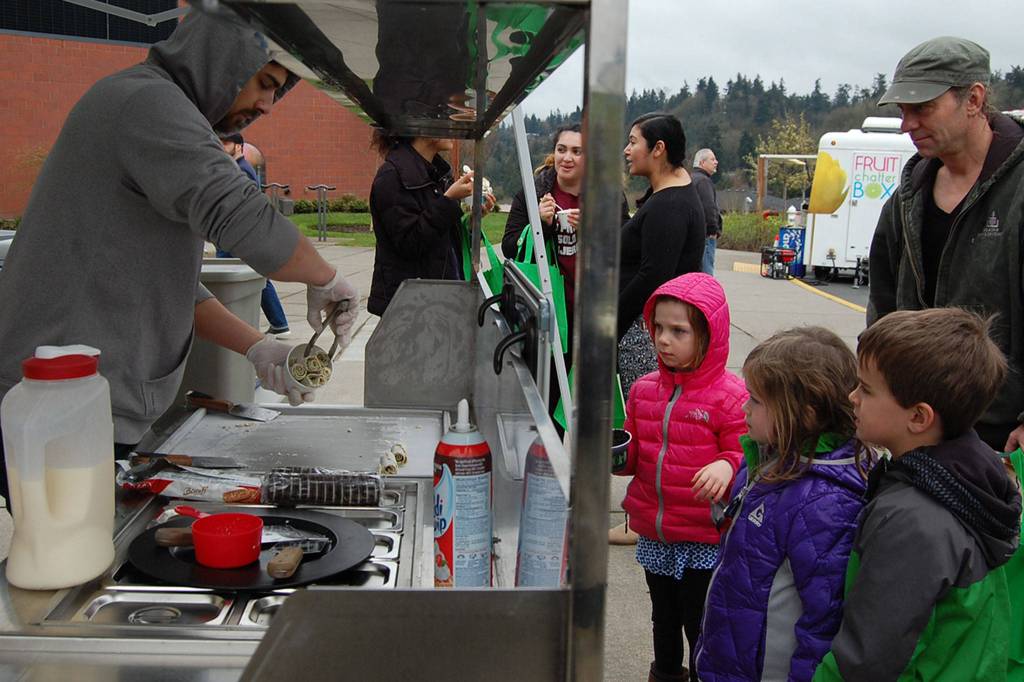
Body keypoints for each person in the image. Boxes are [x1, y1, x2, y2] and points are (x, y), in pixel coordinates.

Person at [0, 11, 360, 504]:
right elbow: (246, 219)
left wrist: (258, 348)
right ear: (223, 60)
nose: (268, 104)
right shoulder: (148, 103)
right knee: (73, 561)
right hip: (62, 407)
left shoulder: (154, 107)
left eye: (277, 92)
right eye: (264, 83)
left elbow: (174, 285)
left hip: (91, 406)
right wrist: (328, 276)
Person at [813, 308, 1022, 681]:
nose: (852, 396)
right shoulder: (972, 477)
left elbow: (868, 659)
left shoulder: (912, 520)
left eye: (866, 389)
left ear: (919, 418)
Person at [867, 36, 1024, 453]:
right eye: (902, 111)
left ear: (973, 99)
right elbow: (882, 306)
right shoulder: (907, 199)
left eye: (922, 108)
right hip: (917, 431)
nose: (907, 124)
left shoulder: (1019, 192)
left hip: (1002, 440)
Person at [695, 327, 874, 682]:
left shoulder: (824, 503)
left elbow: (823, 621)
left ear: (804, 415)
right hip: (730, 654)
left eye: (757, 401)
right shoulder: (767, 459)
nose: (744, 407)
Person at [613, 272, 747, 682]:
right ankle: (666, 673)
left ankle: (705, 673)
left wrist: (727, 464)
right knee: (663, 616)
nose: (663, 340)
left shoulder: (730, 396)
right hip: (658, 532)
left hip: (703, 535)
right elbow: (634, 458)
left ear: (709, 335)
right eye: (658, 328)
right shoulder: (643, 391)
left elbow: (745, 453)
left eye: (678, 331)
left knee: (698, 620)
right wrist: (616, 454)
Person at [501, 123, 629, 329]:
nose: (567, 158)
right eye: (561, 149)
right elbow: (509, 247)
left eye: (577, 151)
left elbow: (625, 250)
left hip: (593, 308)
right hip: (545, 307)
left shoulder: (609, 197)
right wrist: (541, 225)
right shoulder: (533, 192)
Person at [618, 112, 705, 396]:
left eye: (633, 142)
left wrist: (609, 321)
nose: (627, 151)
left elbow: (653, 275)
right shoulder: (667, 196)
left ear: (658, 149)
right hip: (642, 331)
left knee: (645, 416)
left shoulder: (669, 206)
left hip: (642, 337)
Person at [366, 131, 475, 316]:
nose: (452, 130)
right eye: (443, 120)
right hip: (410, 307)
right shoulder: (392, 176)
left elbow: (443, 240)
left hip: (436, 300)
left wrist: (472, 222)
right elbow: (410, 243)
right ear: (422, 127)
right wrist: (448, 200)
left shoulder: (436, 172)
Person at [217, 132, 291, 338]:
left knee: (233, 279)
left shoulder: (242, 170)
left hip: (237, 236)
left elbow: (244, 205)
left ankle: (276, 322)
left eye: (226, 143)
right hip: (236, 235)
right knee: (253, 278)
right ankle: (279, 323)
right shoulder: (238, 168)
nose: (221, 146)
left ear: (239, 146)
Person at [690, 148, 723, 276]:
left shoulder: (691, 178)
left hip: (694, 235)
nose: (716, 162)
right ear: (702, 163)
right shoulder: (703, 181)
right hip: (705, 236)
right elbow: (709, 208)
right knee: (706, 273)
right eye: (712, 159)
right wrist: (712, 230)